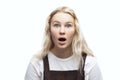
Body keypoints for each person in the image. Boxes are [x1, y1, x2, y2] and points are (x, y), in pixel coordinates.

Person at [25, 6, 103, 80]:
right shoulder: (37, 63)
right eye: (56, 25)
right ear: (49, 30)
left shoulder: (89, 63)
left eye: (68, 26)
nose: (62, 31)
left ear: (75, 30)